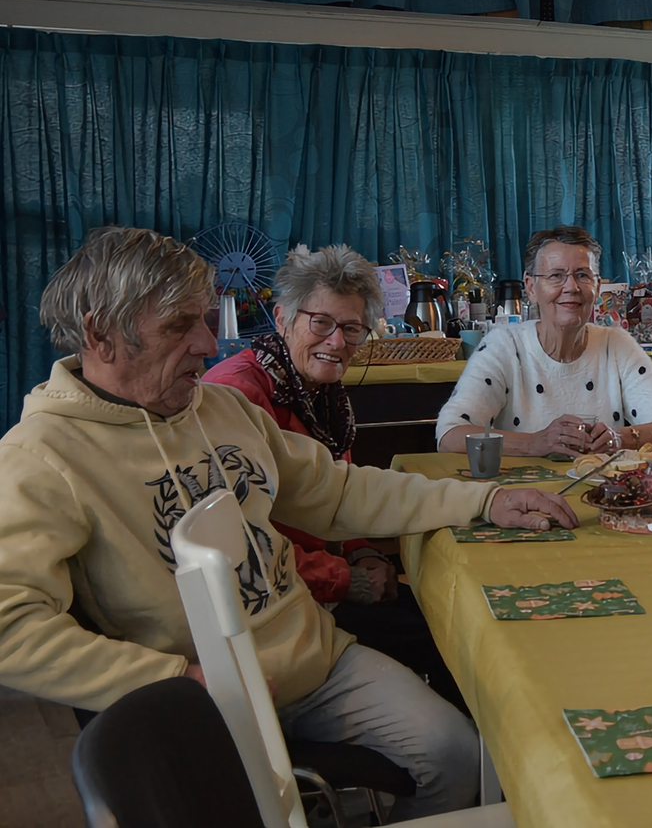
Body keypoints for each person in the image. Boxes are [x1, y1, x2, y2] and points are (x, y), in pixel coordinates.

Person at [0, 227, 578, 819]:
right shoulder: (43, 456)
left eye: (204, 319)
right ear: (100, 334)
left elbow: (338, 491)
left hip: (318, 661)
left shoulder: (221, 409)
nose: (207, 343)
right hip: (204, 699)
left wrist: (483, 503)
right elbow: (10, 628)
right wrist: (177, 679)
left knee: (460, 758)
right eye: (179, 325)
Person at [203, 243, 467, 713]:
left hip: (325, 578)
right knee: (450, 640)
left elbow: (338, 491)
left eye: (351, 329)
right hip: (278, 611)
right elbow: (242, 547)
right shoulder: (236, 395)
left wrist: (362, 550)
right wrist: (347, 579)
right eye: (320, 323)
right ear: (282, 319)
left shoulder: (320, 391)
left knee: (448, 618)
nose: (336, 341)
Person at [437, 225, 652, 456]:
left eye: (583, 275)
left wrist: (620, 438)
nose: (571, 287)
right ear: (531, 288)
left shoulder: (615, 345)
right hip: (520, 500)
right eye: (556, 276)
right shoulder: (504, 346)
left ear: (596, 286)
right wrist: (533, 444)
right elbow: (450, 435)